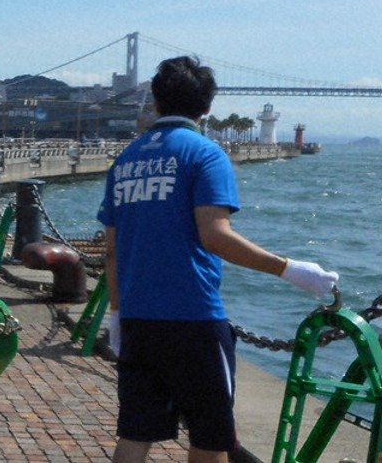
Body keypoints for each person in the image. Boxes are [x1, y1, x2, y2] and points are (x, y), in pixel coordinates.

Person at [99, 56, 339, 463]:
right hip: (193, 319)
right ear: (207, 106)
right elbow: (215, 235)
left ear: (155, 101)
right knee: (210, 440)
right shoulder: (206, 155)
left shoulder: (126, 161)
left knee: (135, 434)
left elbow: (110, 249)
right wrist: (290, 269)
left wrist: (117, 314)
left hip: (139, 319)